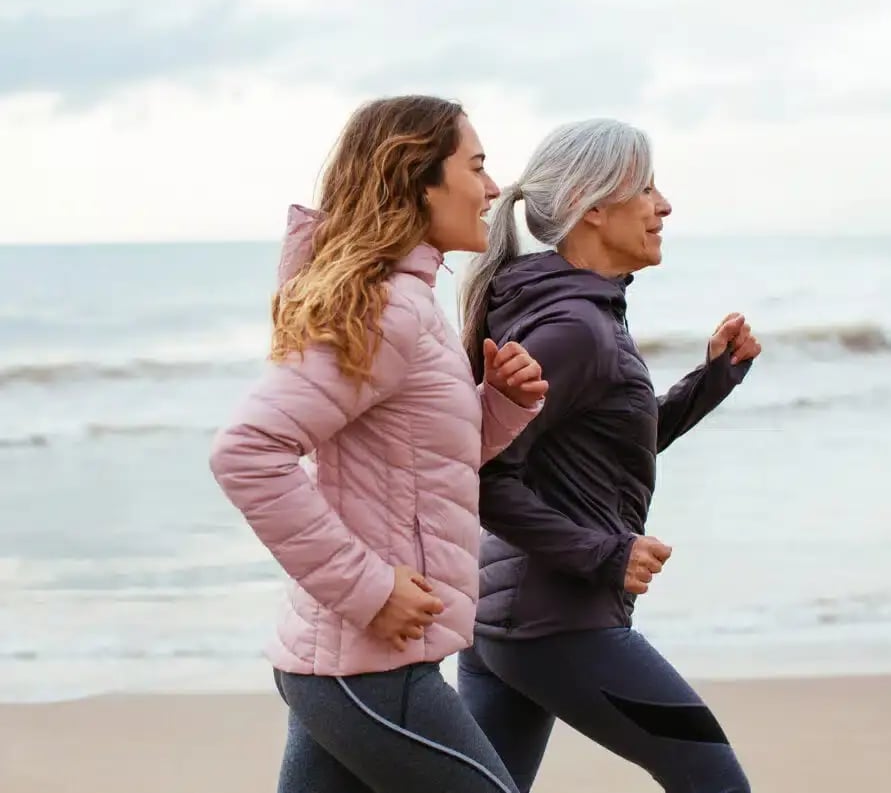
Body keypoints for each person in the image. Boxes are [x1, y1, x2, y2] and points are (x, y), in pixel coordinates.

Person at [210, 95, 549, 793]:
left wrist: (502, 407)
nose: (493, 189)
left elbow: (416, 466)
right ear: (418, 180)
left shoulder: (409, 301)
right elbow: (248, 452)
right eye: (477, 167)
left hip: (353, 662)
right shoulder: (389, 308)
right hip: (367, 661)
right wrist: (366, 587)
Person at [456, 119, 761, 793]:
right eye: (645, 187)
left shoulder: (579, 313)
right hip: (554, 619)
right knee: (714, 779)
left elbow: (594, 450)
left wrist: (708, 383)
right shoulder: (575, 328)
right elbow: (476, 474)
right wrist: (606, 553)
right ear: (594, 206)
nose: (665, 205)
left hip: (510, 619)